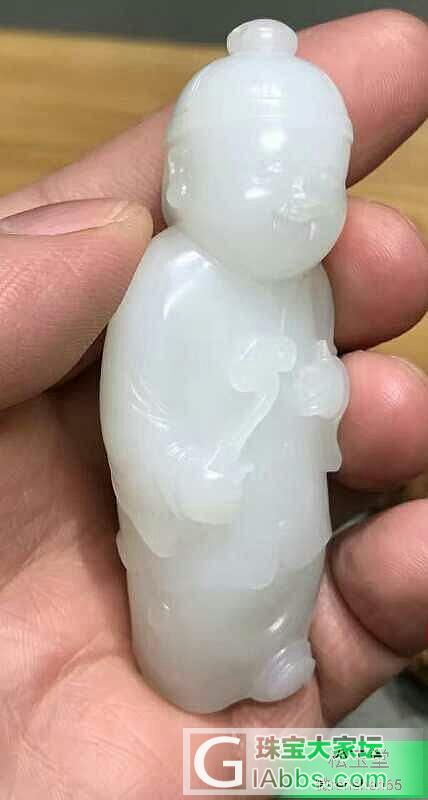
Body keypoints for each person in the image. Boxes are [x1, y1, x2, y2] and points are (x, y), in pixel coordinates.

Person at [0, 9, 427, 798]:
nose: (300, 201)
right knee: (203, 602)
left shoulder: (307, 286)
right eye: (272, 174)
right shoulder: (173, 279)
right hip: (203, 511)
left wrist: (321, 393)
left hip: (283, 499)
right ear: (185, 181)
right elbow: (134, 406)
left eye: (318, 180)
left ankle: (271, 653)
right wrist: (175, 478)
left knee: (286, 579)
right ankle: (193, 671)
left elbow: (321, 385)